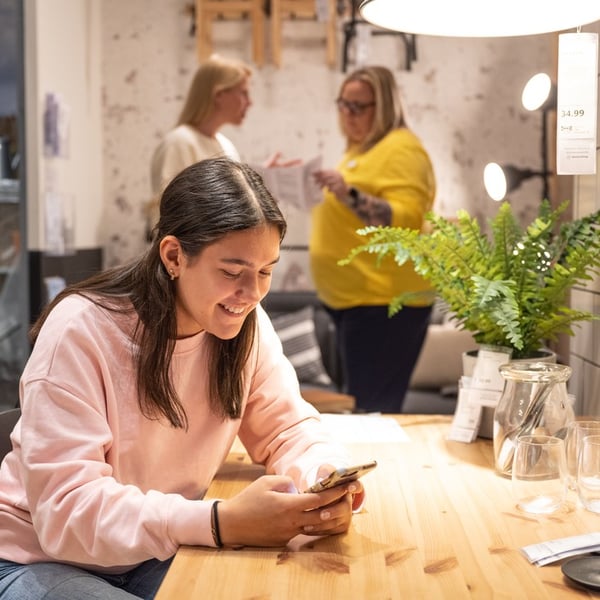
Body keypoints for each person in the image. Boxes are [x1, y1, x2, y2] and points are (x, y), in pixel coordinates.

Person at [0, 158, 365, 599]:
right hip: (39, 557)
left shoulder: (244, 324)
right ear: (174, 255)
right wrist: (217, 521)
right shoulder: (80, 330)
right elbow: (67, 512)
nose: (251, 294)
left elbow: (287, 428)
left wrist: (320, 478)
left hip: (156, 548)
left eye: (265, 271)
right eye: (232, 272)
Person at [309, 66, 436, 414]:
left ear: (385, 106)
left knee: (373, 413)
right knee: (365, 409)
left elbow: (406, 220)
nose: (348, 114)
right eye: (343, 104)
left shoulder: (402, 149)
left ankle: (383, 470)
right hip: (359, 301)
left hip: (385, 302)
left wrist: (349, 194)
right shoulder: (361, 150)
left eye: (359, 106)